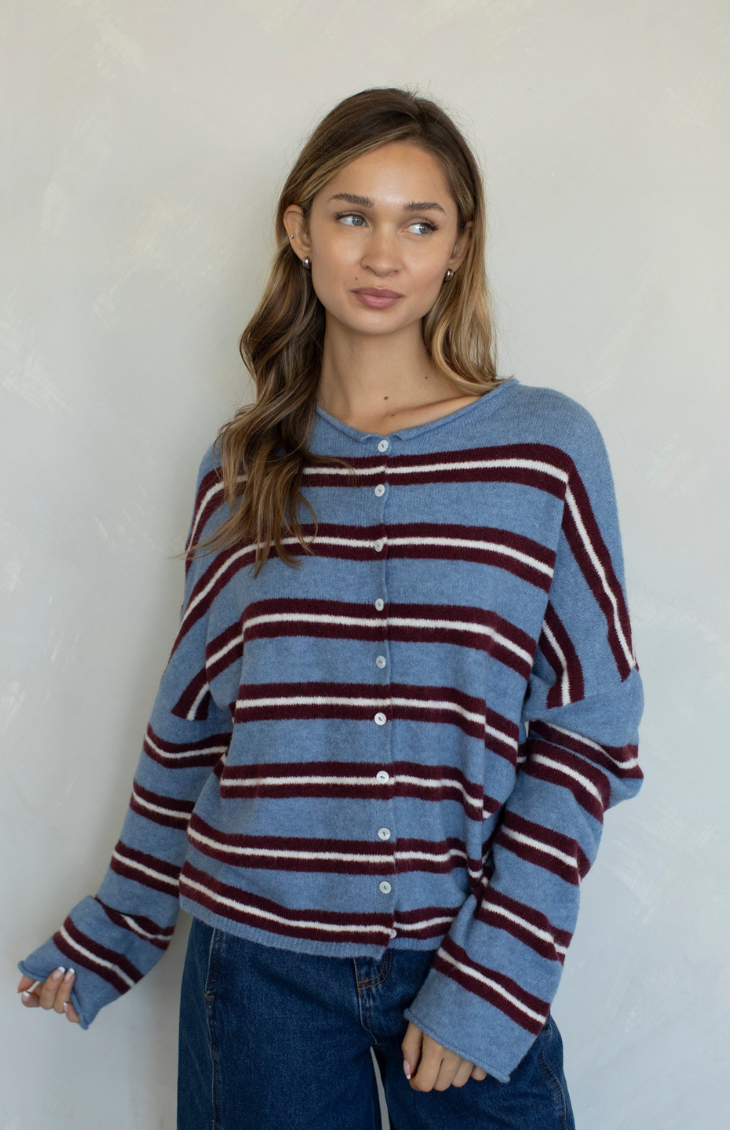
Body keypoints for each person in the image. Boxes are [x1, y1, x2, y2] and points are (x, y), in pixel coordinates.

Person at [17, 87, 644, 1129]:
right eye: (353, 215)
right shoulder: (241, 465)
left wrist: (495, 972)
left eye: (419, 223)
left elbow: (591, 726)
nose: (383, 253)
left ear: (458, 247)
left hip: (466, 950)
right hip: (255, 974)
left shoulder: (542, 451)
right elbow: (191, 722)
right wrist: (120, 923)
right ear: (299, 230)